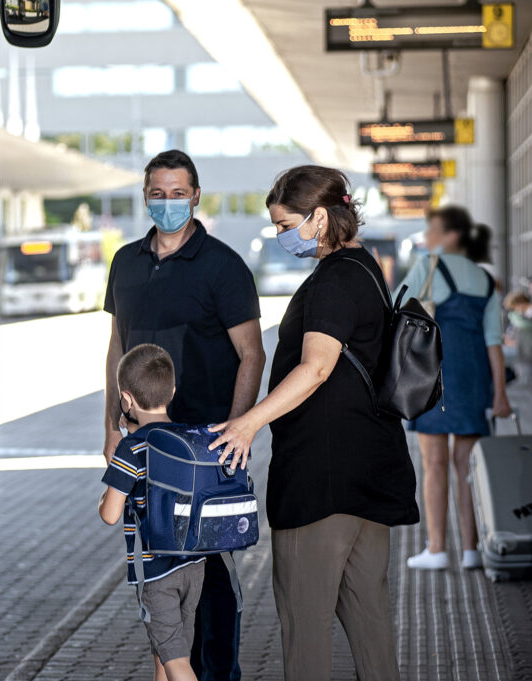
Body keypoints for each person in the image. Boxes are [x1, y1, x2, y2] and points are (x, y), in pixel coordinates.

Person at [207, 165, 419, 681]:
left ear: (319, 217)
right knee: (370, 623)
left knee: (305, 628)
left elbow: (317, 366)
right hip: (368, 474)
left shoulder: (333, 280)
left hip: (321, 482)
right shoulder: (366, 267)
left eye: (284, 224)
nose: (280, 235)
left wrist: (247, 424)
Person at [103, 149, 264, 681]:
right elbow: (116, 345)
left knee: (212, 576)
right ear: (145, 195)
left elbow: (252, 354)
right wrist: (111, 426)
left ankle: (218, 674)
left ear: (196, 195)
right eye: (157, 193)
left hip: (204, 449)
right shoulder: (125, 263)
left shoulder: (223, 266)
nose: (167, 203)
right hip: (147, 444)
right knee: (159, 575)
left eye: (178, 193)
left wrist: (237, 432)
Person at [399, 206, 511, 571]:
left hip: (434, 381)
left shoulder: (428, 266)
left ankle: (437, 548)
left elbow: (398, 310)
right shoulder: (483, 279)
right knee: (469, 468)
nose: (428, 238)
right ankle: (472, 550)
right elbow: (494, 342)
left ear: (451, 236)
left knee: (434, 465)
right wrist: (500, 395)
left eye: (432, 231)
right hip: (474, 381)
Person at [99, 343, 208, 681]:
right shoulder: (190, 436)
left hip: (157, 573)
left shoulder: (130, 449)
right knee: (168, 652)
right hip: (194, 565)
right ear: (172, 391)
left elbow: (110, 513)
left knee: (176, 663)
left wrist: (103, 496)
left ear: (126, 400)